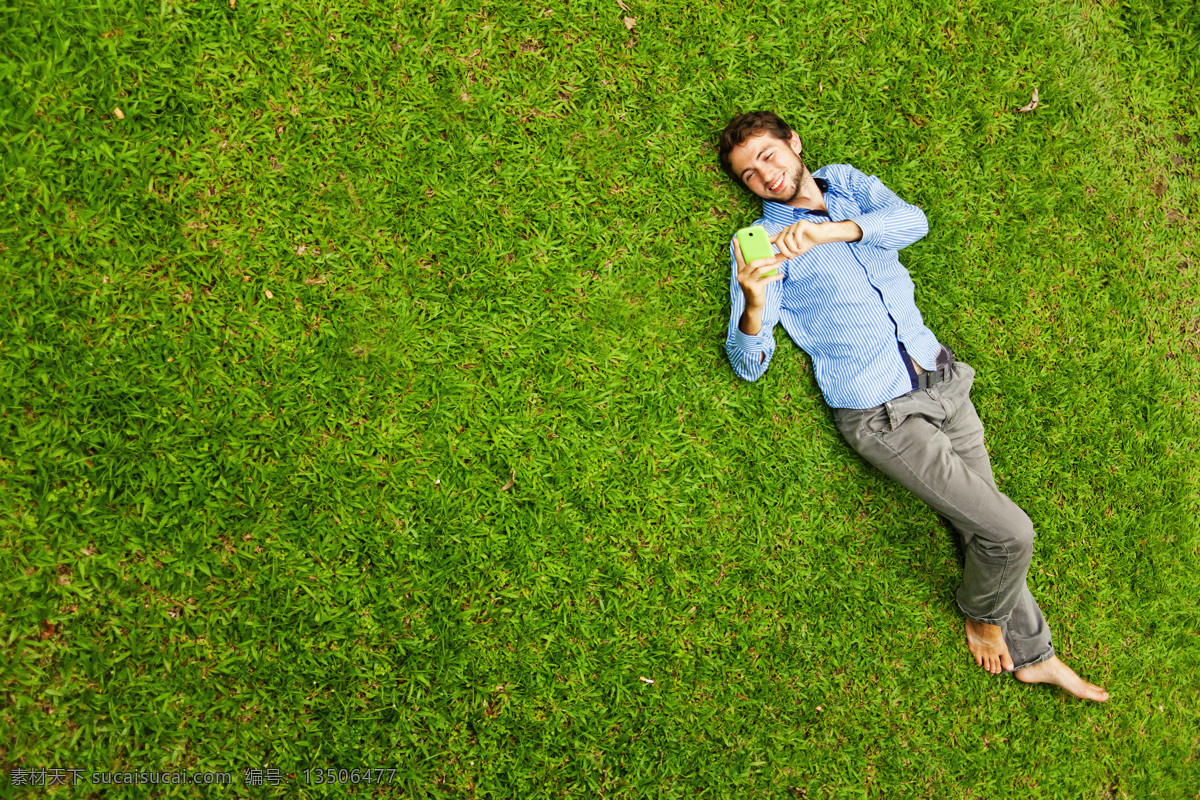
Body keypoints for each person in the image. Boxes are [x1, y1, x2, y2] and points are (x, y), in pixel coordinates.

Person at [718, 111, 1109, 702]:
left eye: (769, 156)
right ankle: (981, 616)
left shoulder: (847, 184)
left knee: (983, 524)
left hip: (942, 378)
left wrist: (836, 231)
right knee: (1012, 532)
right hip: (882, 412)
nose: (765, 176)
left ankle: (1035, 657)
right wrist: (752, 299)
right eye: (750, 174)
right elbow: (749, 361)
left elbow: (913, 222)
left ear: (794, 144)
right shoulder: (765, 246)